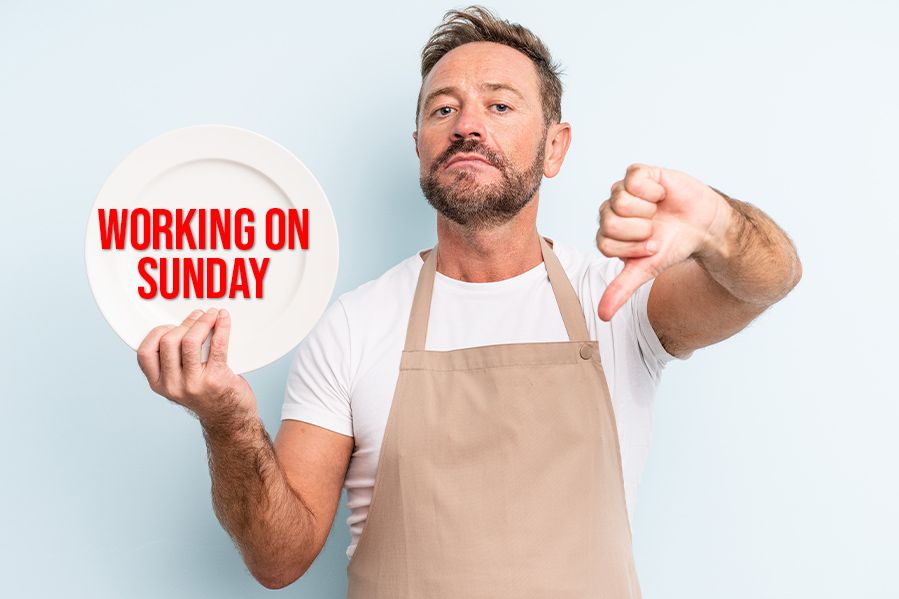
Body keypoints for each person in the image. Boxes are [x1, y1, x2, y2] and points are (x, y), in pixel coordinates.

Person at [136, 5, 802, 596]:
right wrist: (227, 419)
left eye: (500, 104)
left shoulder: (619, 302)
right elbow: (279, 558)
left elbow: (767, 277)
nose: (466, 126)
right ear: (420, 146)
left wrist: (716, 223)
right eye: (442, 108)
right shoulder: (354, 324)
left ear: (554, 147)